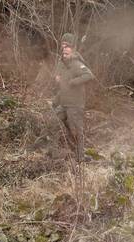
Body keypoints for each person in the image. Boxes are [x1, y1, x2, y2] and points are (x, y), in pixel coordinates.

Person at [53, 33, 94, 163]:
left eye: (67, 45)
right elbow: (59, 80)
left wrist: (73, 81)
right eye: (63, 45)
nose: (64, 47)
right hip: (63, 102)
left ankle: (80, 157)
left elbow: (89, 75)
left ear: (73, 48)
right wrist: (57, 79)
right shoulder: (61, 62)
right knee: (53, 123)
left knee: (76, 130)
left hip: (75, 104)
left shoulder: (76, 63)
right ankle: (58, 152)